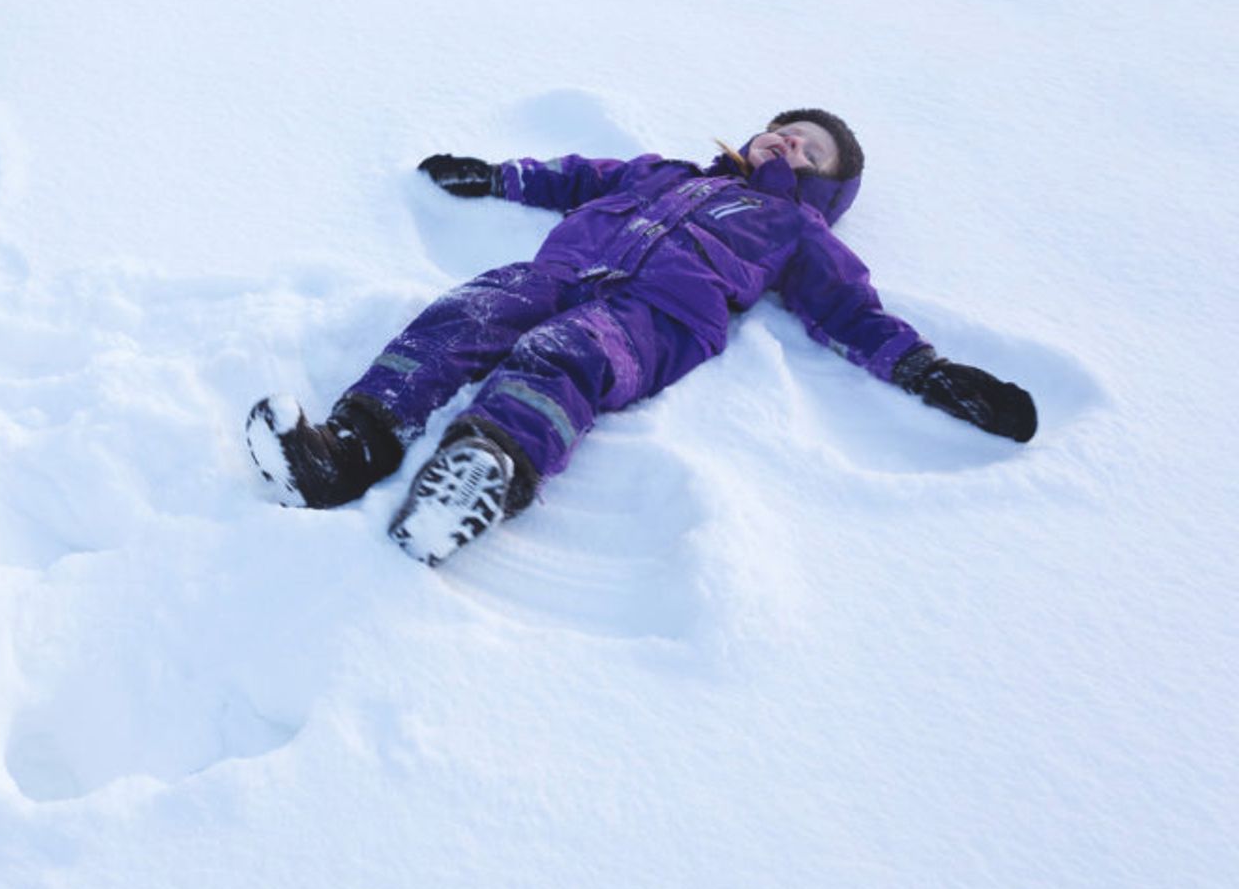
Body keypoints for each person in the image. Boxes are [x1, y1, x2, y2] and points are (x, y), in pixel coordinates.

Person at [247, 109, 1037, 565]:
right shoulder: (667, 171)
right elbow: (579, 176)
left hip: (655, 317)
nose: (787, 143)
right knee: (465, 315)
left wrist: (930, 372)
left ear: (825, 187)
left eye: (810, 149)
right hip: (562, 270)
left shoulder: (795, 229)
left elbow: (851, 311)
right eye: (783, 129)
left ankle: (483, 471)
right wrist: (496, 176)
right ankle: (345, 451)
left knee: (563, 359)